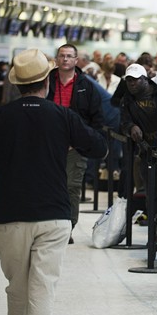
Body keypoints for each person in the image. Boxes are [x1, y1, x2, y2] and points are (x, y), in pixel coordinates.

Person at [0, 49, 107, 315]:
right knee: (42, 288)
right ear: (46, 81)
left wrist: (5, 149)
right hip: (54, 215)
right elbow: (98, 147)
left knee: (17, 288)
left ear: (17, 84)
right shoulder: (63, 116)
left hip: (10, 215)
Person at [47, 43, 104, 243]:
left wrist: (84, 140)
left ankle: (67, 227)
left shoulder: (86, 86)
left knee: (72, 186)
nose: (65, 59)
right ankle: (50, 225)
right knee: (50, 185)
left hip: (75, 146)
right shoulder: (47, 83)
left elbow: (96, 118)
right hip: (49, 145)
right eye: (62, 55)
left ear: (76, 60)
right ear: (56, 59)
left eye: (69, 56)